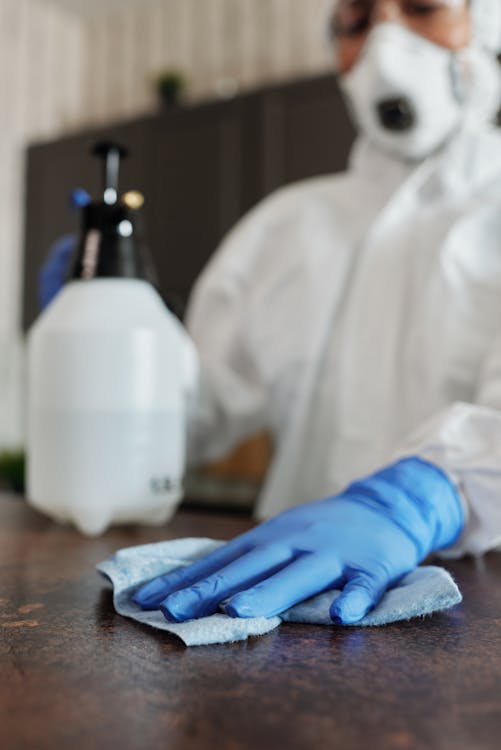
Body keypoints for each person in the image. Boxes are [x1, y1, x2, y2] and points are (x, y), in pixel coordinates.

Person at [44, 0, 501, 625]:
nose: (385, 43)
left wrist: (421, 500)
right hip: (280, 605)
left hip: (473, 611)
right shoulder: (283, 226)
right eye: (356, 20)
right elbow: (194, 419)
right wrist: (114, 347)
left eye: (422, 7)